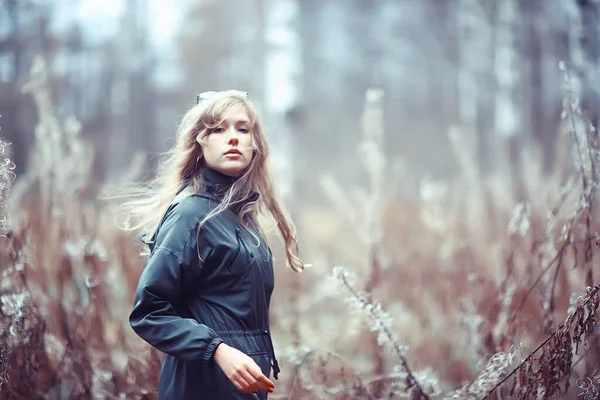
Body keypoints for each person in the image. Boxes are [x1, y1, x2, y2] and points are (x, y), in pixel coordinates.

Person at [117, 90, 305, 399]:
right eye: (218, 129)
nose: (232, 137)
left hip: (240, 389)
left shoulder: (241, 218)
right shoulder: (191, 215)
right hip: (200, 386)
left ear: (255, 144)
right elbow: (149, 312)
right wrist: (217, 350)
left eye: (242, 129)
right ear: (199, 143)